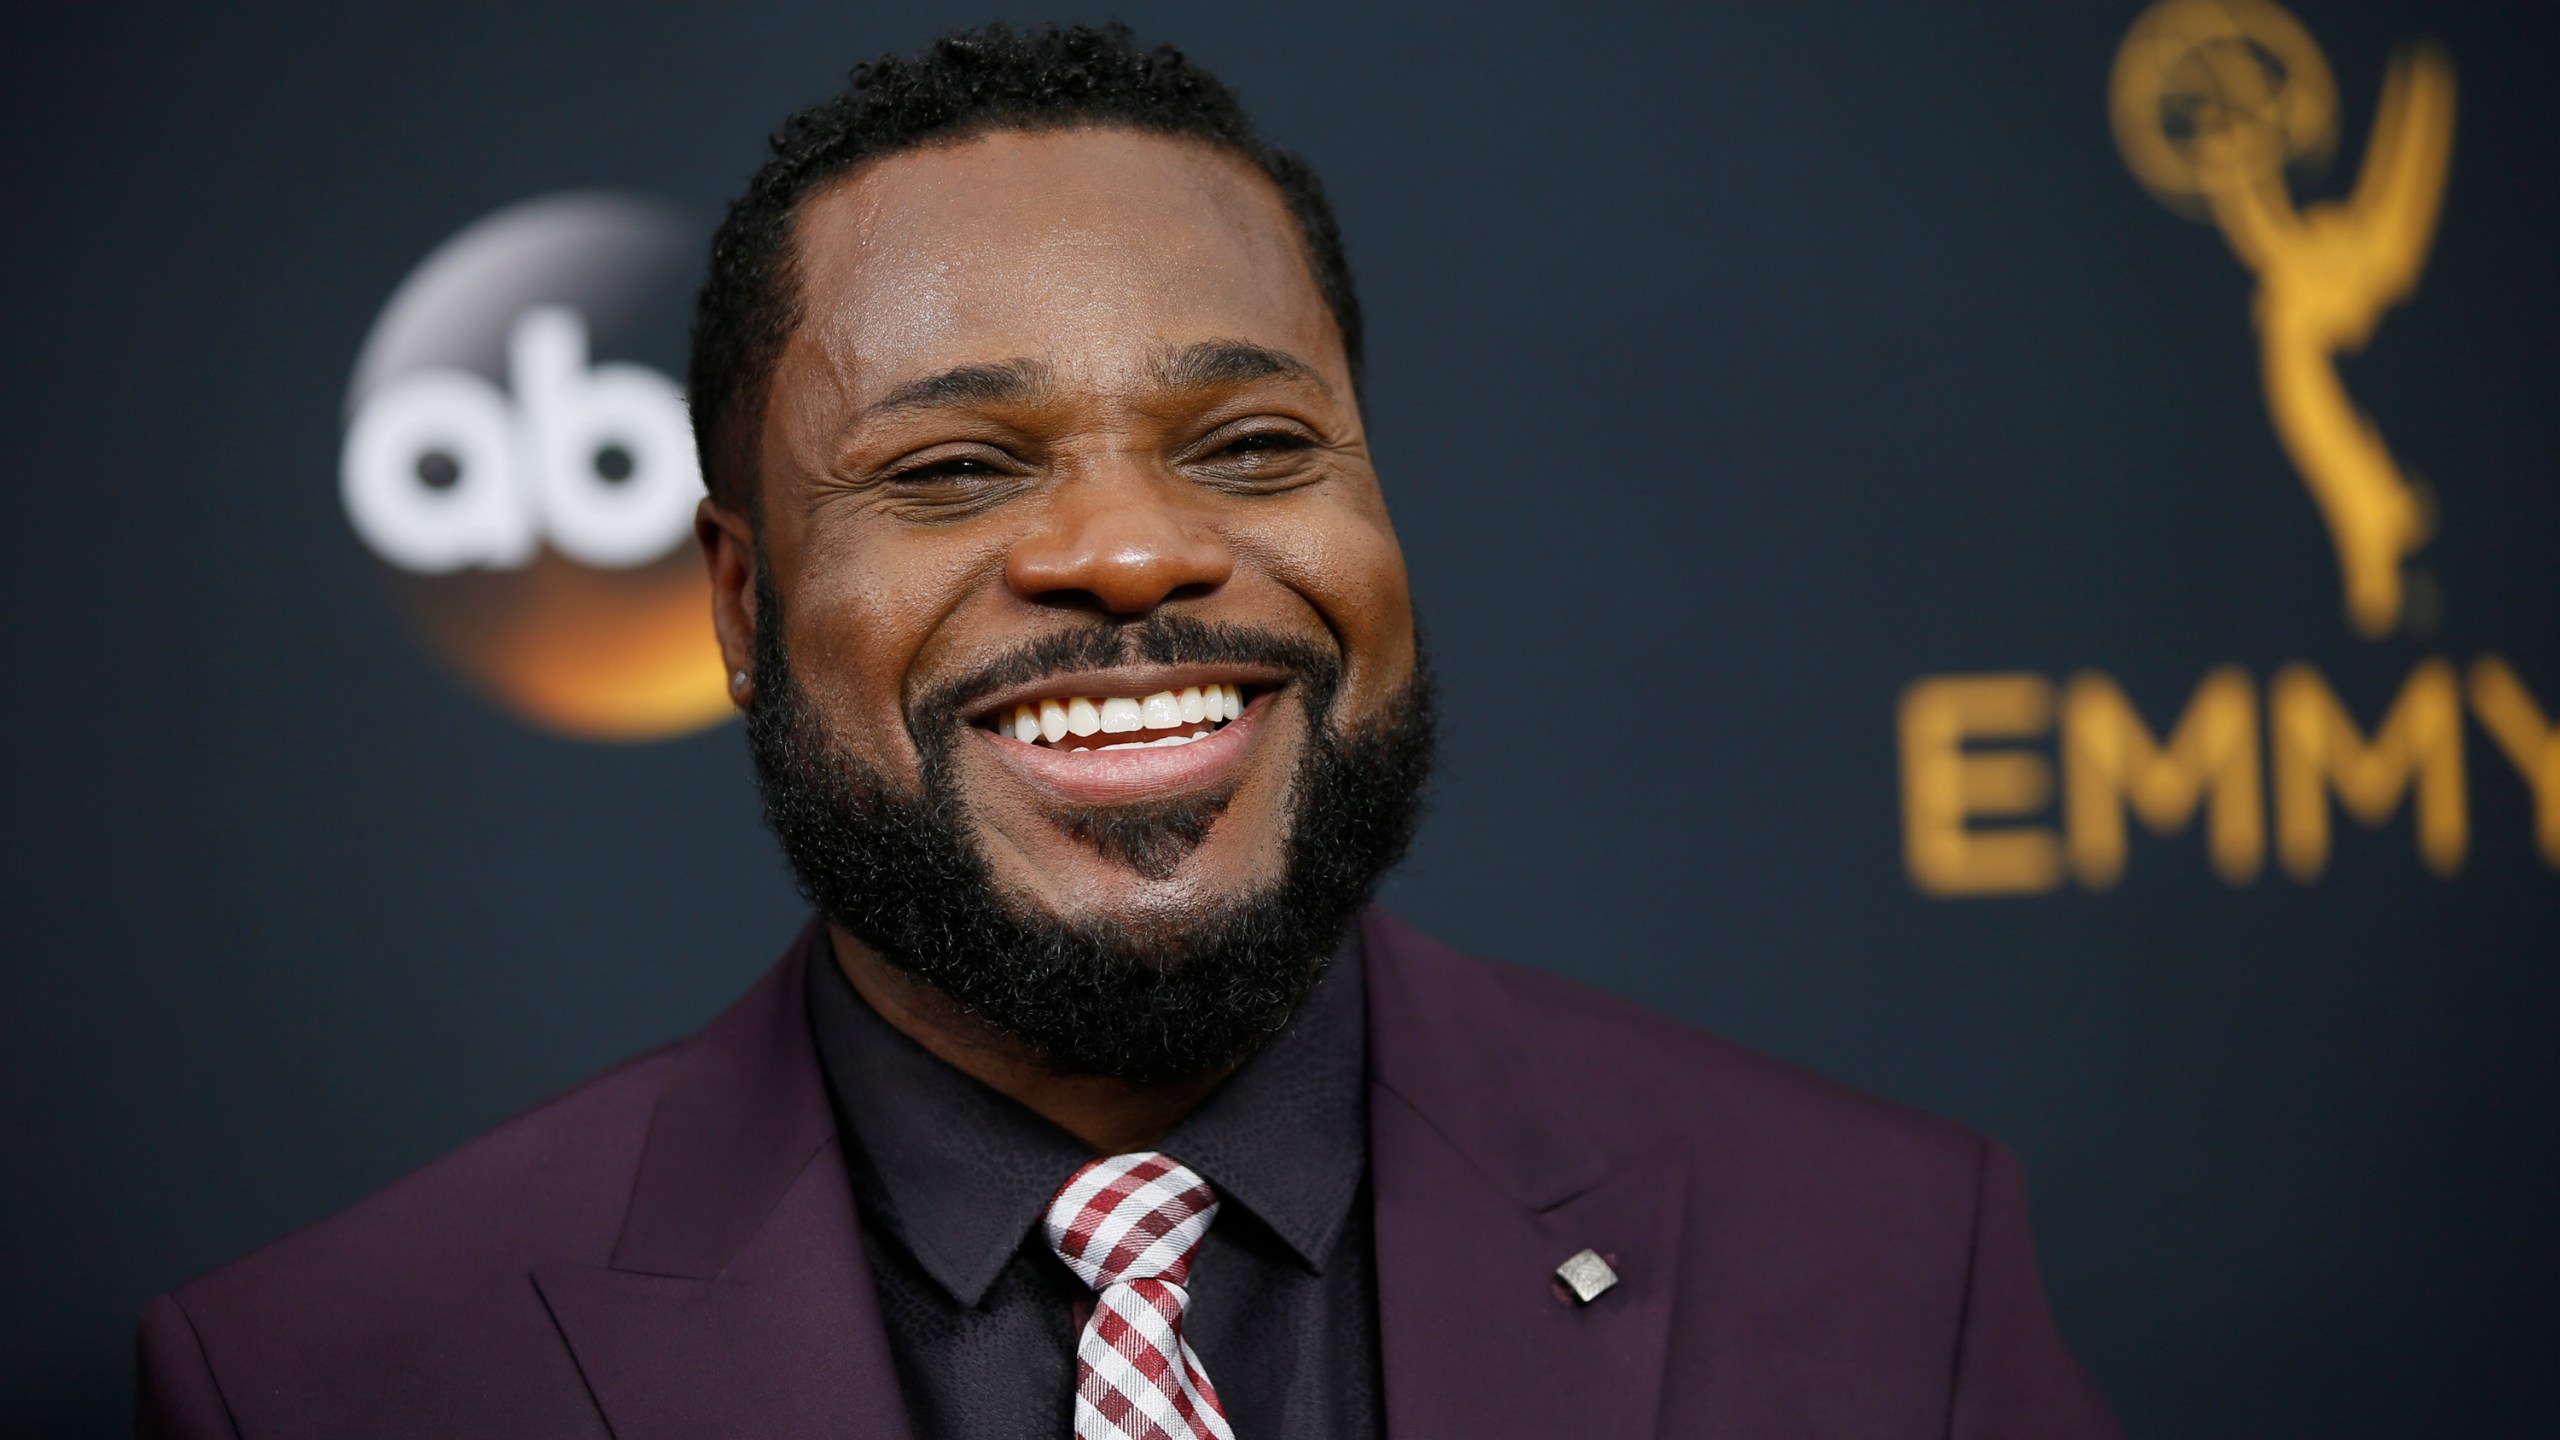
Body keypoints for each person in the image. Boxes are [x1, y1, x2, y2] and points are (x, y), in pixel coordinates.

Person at [137, 23, 2119, 1439]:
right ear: (738, 603)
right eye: (954, 470)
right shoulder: (332, 1377)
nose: (1125, 549)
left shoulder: (1879, 1263)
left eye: (1251, 446)